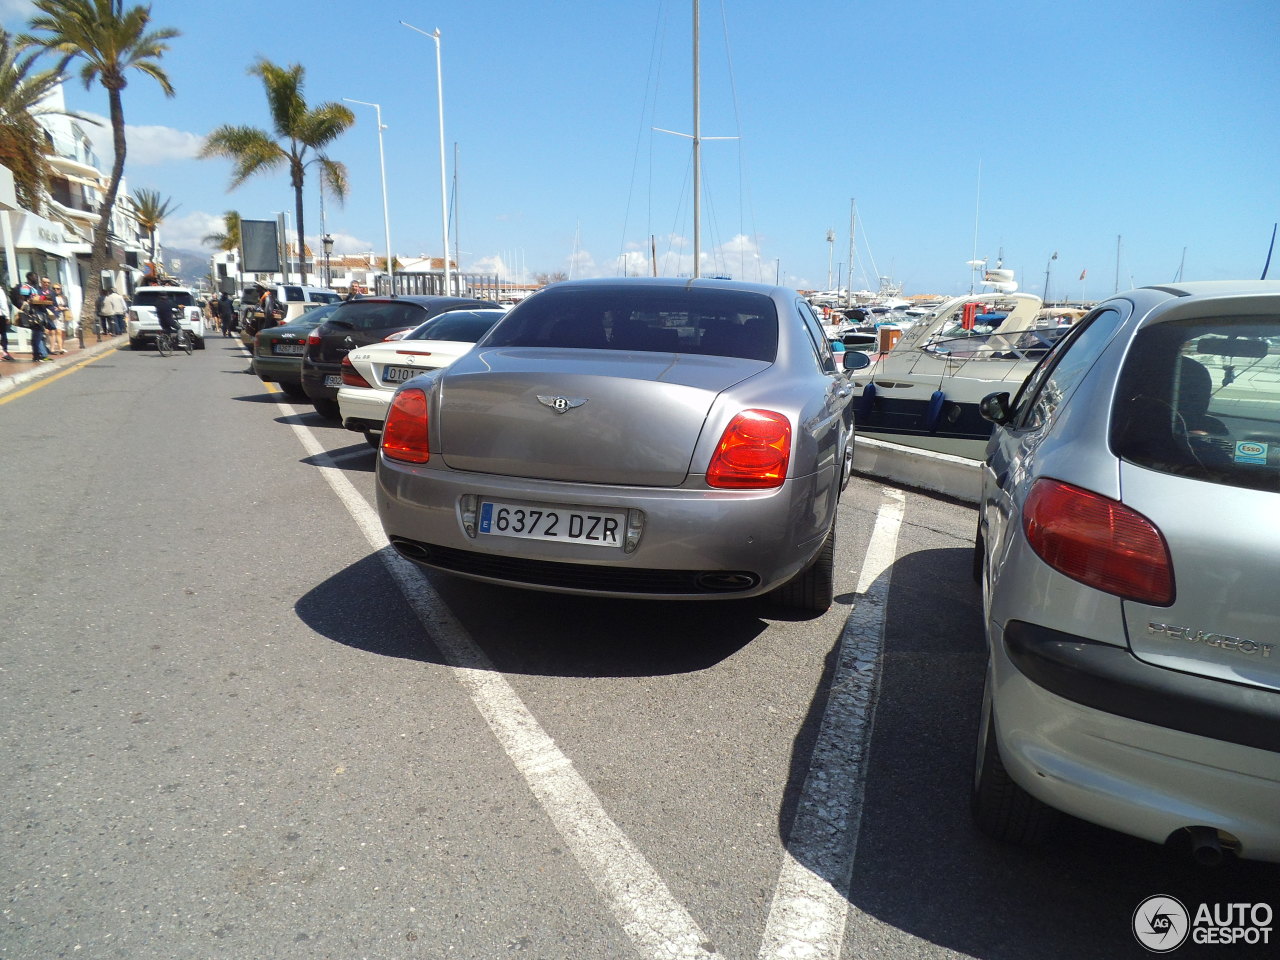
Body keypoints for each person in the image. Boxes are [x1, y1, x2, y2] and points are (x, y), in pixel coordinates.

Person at [15, 272, 53, 362]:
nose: (36, 278)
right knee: (38, 334)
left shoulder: (35, 288)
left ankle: (37, 355)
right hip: (33, 314)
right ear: (29, 278)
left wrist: (43, 299)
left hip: (38, 313)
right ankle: (41, 355)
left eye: (37, 276)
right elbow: (22, 299)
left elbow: (39, 298)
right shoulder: (26, 287)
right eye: (34, 277)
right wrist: (29, 301)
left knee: (38, 334)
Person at [48, 281, 68, 353]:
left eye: (58, 288)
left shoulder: (64, 297)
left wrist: (62, 308)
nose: (56, 290)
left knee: (62, 332)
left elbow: (66, 306)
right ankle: (59, 348)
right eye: (54, 289)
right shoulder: (50, 297)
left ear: (61, 289)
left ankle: (61, 347)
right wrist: (56, 308)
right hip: (54, 315)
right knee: (57, 332)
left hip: (63, 316)